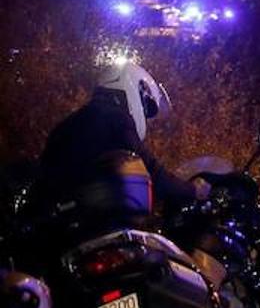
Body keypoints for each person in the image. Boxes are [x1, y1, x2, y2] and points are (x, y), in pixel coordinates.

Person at [38, 60, 196, 211]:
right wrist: (193, 190)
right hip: (86, 223)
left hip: (59, 221)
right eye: (146, 107)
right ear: (135, 87)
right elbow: (150, 172)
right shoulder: (117, 119)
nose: (145, 116)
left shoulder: (73, 121)